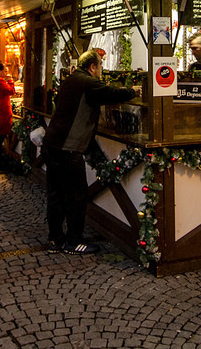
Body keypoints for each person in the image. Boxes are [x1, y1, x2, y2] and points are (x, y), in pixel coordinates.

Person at [42, 49, 137, 255]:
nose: (101, 70)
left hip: (52, 144)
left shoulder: (72, 79)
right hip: (68, 147)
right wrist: (134, 91)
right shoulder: (88, 82)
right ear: (92, 67)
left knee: (56, 194)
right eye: (100, 66)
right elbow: (112, 94)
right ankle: (74, 241)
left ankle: (55, 239)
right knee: (77, 195)